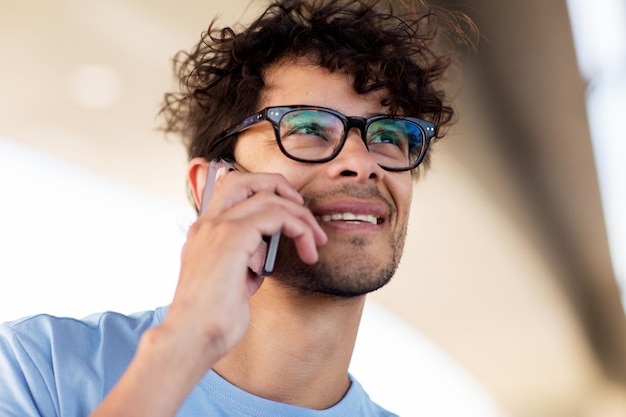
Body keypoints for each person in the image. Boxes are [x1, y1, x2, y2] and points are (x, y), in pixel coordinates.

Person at [0, 0, 474, 415]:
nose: (361, 162)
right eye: (308, 128)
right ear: (211, 185)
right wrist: (184, 346)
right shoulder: (38, 370)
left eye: (390, 136)